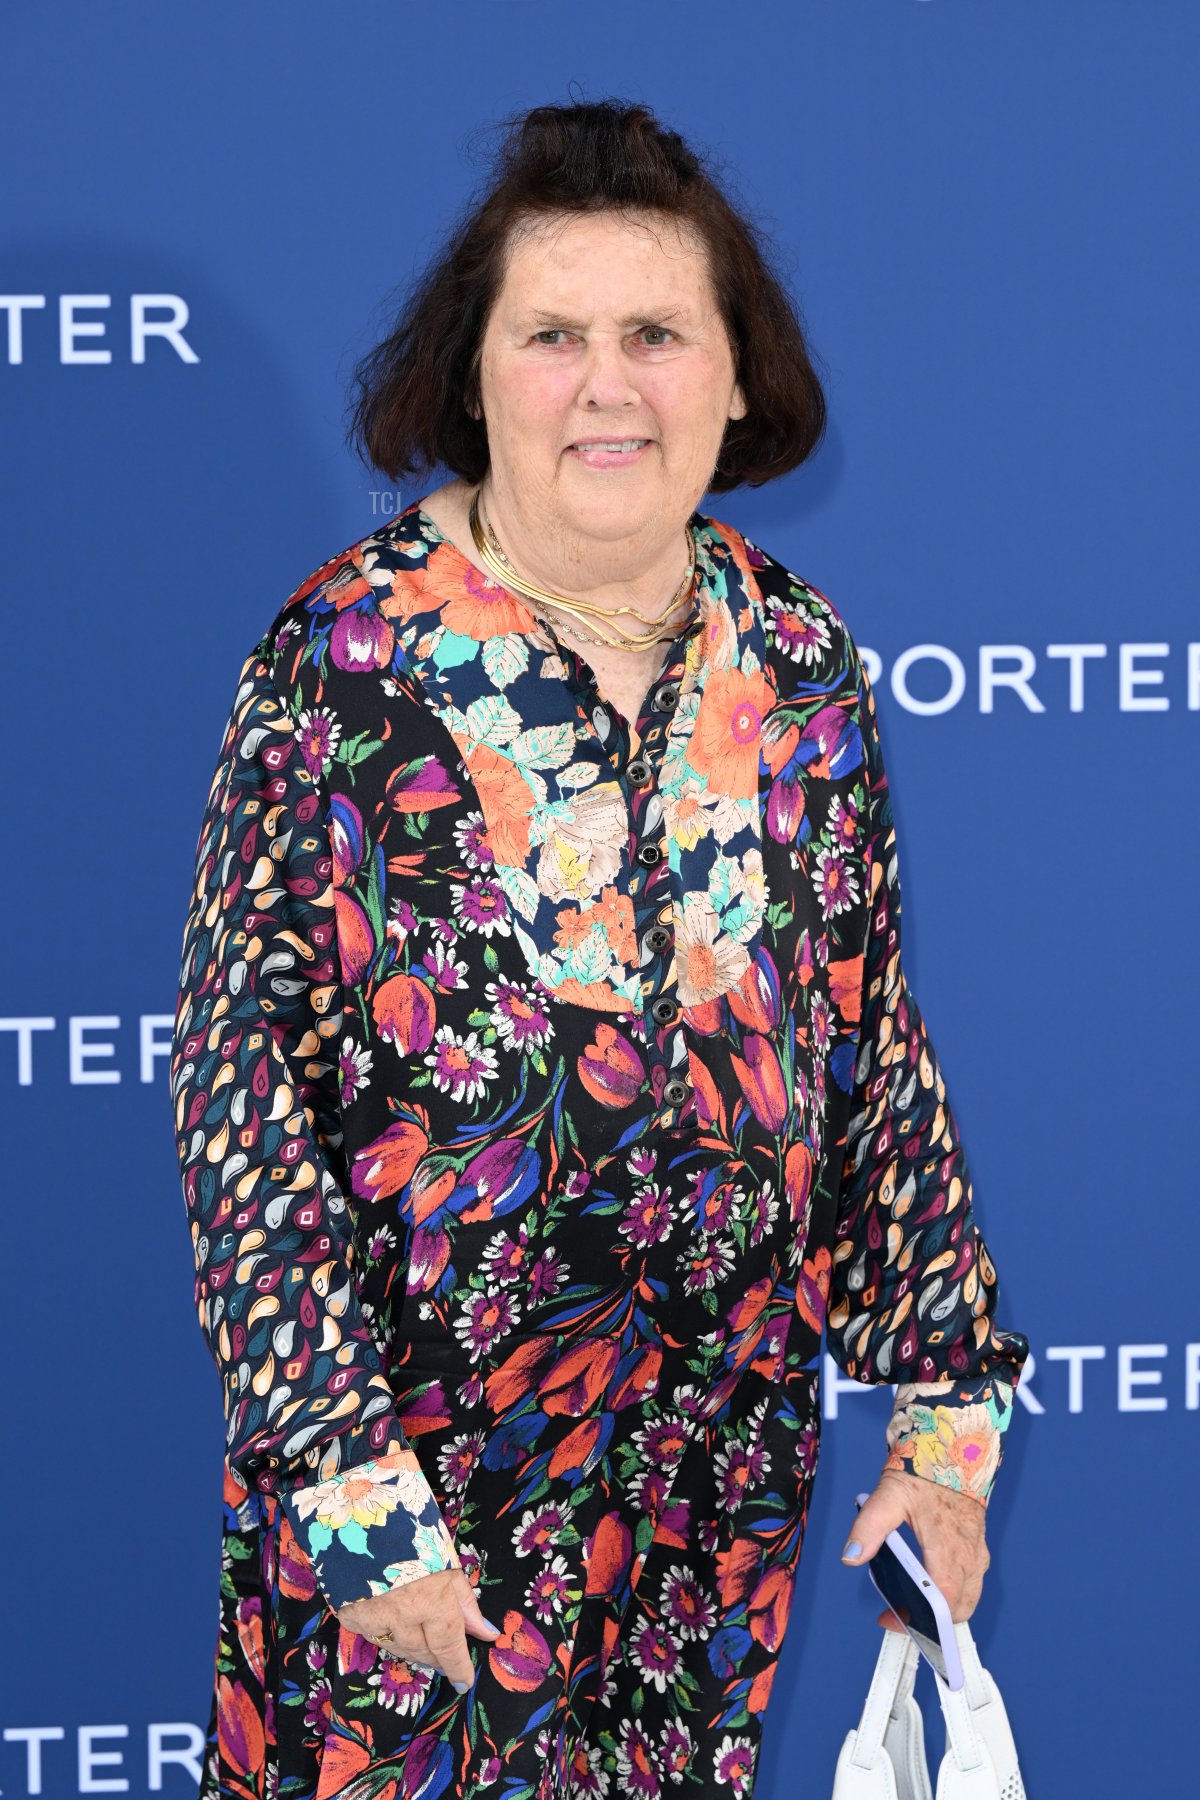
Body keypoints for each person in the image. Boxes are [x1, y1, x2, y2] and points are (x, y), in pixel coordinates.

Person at [170, 98, 1028, 1800]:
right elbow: (241, 1099)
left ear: (736, 379)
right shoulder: (340, 665)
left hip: (714, 1496)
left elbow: (868, 1054)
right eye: (552, 336)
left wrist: (946, 1427)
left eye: (656, 335)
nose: (607, 386)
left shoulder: (800, 660)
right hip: (419, 1512)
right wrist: (348, 1488)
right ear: (474, 376)